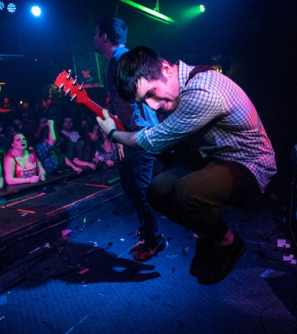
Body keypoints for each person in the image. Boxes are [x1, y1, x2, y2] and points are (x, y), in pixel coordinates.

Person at [97, 46, 277, 284]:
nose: (152, 105)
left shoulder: (202, 90)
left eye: (151, 93)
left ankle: (227, 242)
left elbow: (153, 140)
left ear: (165, 69)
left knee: (186, 194)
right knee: (156, 190)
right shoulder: (178, 89)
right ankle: (207, 233)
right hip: (212, 155)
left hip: (250, 163)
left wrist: (113, 134)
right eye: (144, 100)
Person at [94, 17, 165, 262]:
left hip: (139, 134)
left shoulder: (119, 61)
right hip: (133, 133)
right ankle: (148, 235)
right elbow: (119, 103)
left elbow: (133, 102)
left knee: (141, 190)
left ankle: (155, 240)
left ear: (104, 36)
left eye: (95, 34)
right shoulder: (120, 59)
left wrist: (124, 139)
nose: (93, 39)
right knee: (132, 187)